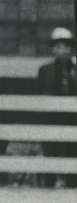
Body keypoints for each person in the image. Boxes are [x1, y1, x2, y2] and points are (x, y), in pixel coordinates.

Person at [36, 26, 76, 187]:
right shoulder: (45, 70)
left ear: (70, 48)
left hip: (73, 116)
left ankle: (73, 181)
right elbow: (40, 91)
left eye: (65, 46)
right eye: (58, 46)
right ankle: (50, 181)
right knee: (51, 147)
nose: (61, 50)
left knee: (73, 147)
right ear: (53, 49)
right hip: (52, 115)